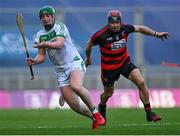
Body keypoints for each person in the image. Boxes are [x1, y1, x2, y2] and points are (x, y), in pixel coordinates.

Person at [26, 6, 105, 130]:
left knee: (76, 86)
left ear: (53, 16)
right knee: (74, 105)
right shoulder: (40, 35)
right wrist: (34, 61)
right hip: (60, 71)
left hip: (74, 62)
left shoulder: (60, 26)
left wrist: (46, 44)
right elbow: (41, 56)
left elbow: (59, 44)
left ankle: (95, 111)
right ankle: (94, 117)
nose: (45, 19)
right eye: (43, 17)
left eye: (48, 16)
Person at [85, 9, 169, 125]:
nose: (115, 25)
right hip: (109, 68)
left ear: (120, 22)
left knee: (141, 82)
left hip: (124, 62)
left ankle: (149, 113)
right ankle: (102, 105)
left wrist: (156, 34)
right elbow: (89, 44)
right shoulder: (100, 35)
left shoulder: (125, 28)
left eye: (117, 23)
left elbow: (140, 28)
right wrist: (88, 58)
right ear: (108, 23)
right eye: (112, 23)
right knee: (108, 94)